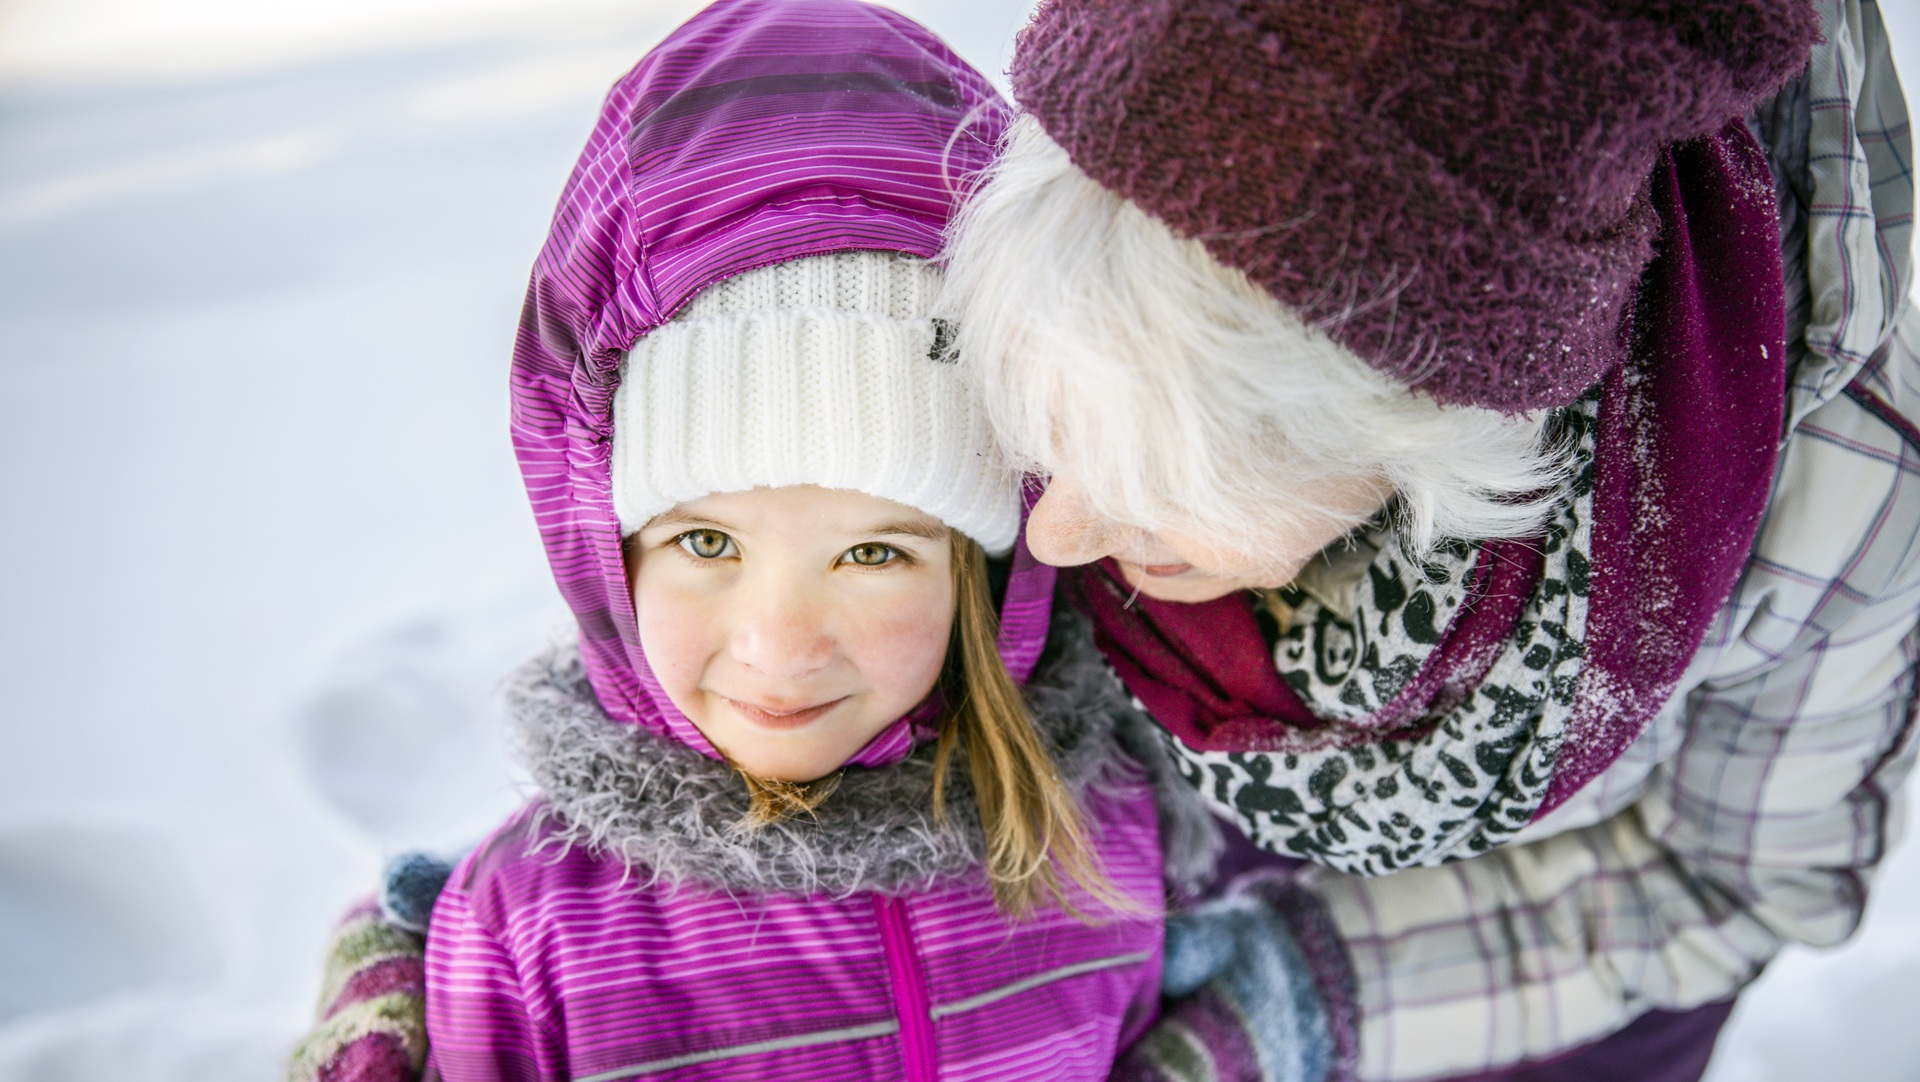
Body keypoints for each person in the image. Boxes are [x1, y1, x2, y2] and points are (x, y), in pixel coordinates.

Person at [942, 1, 1918, 1080]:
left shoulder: (1836, 492)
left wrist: (1293, 999)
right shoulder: (1086, 269)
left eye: (1169, 482)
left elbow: (1731, 880)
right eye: (1055, 436)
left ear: (1431, 419)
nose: (1058, 531)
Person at [284, 1, 1230, 1079]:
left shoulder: (1101, 835)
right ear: (609, 545)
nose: (780, 646)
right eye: (706, 543)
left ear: (989, 565)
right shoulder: (528, 938)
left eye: (873, 553)